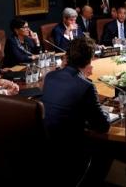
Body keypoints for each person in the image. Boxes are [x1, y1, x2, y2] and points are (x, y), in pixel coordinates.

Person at [42, 37, 110, 186]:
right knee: (108, 148)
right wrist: (106, 111)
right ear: (90, 59)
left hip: (48, 147)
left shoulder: (49, 77)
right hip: (73, 152)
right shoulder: (86, 86)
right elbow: (103, 126)